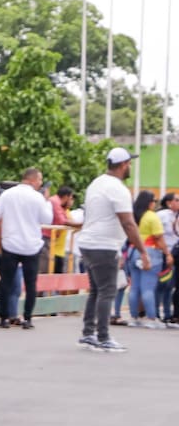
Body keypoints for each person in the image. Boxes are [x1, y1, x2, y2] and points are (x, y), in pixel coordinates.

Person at [75, 147, 151, 351]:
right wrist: (143, 251)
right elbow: (128, 223)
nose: (130, 167)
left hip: (88, 243)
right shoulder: (118, 189)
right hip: (103, 245)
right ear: (123, 165)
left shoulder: (96, 183)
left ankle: (88, 333)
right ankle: (103, 337)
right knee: (107, 291)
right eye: (129, 163)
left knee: (96, 291)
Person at [0, 168, 52, 329]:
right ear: (33, 180)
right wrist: (47, 201)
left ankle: (4, 318)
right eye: (40, 180)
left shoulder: (7, 194)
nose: (40, 183)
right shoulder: (38, 197)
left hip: (11, 244)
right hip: (31, 246)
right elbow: (47, 219)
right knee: (31, 284)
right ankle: (28, 318)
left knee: (6, 282)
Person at [125, 190, 171, 328]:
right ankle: (151, 318)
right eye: (154, 201)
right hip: (149, 252)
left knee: (134, 288)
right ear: (150, 202)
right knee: (148, 288)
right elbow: (159, 238)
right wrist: (167, 254)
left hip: (133, 251)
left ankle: (134, 317)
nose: (155, 204)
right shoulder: (152, 217)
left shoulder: (134, 216)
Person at [48, 186, 82, 273]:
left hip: (60, 251)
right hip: (53, 250)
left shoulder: (66, 212)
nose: (72, 201)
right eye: (71, 198)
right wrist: (84, 224)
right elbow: (63, 221)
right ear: (66, 197)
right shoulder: (56, 205)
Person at [156, 192, 178, 323]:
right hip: (164, 253)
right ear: (169, 203)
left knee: (171, 286)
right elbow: (157, 234)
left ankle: (168, 314)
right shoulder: (162, 215)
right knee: (162, 284)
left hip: (176, 254)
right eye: (177, 200)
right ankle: (156, 313)